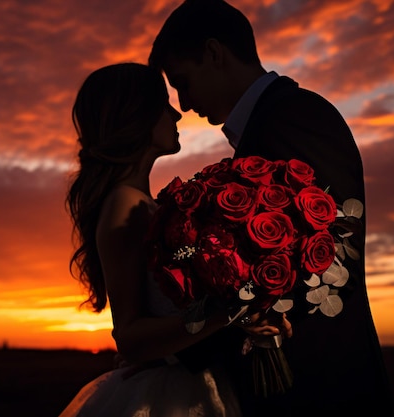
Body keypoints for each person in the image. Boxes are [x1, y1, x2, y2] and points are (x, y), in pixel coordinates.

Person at [149, 1, 394, 416]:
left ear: (214, 53)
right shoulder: (273, 122)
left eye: (183, 83)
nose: (185, 104)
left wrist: (183, 347)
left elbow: (326, 264)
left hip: (322, 387)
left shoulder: (296, 117)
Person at [57, 62, 286, 417]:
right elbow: (130, 338)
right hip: (171, 396)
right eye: (163, 104)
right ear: (136, 115)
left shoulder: (140, 202)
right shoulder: (124, 204)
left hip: (198, 381)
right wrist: (230, 313)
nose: (176, 114)